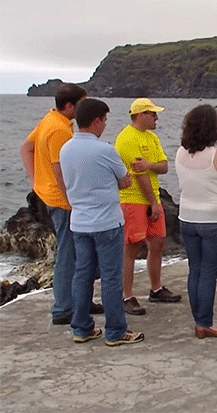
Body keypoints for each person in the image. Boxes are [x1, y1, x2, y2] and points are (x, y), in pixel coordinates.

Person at [59, 98, 144, 346]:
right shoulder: (105, 150)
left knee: (82, 275)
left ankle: (82, 327)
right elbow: (125, 179)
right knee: (110, 277)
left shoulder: (65, 149)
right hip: (106, 222)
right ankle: (116, 331)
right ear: (96, 120)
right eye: (105, 120)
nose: (105, 125)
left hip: (80, 222)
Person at [19, 83, 103, 325]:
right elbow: (60, 171)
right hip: (62, 201)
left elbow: (26, 147)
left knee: (78, 253)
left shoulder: (50, 120)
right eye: (82, 103)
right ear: (69, 106)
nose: (84, 108)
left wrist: (35, 182)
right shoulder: (59, 131)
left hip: (49, 196)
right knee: (70, 255)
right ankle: (63, 308)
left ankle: (80, 301)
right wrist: (72, 201)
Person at [115, 98, 181, 316]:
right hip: (133, 199)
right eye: (152, 114)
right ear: (140, 115)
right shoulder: (126, 138)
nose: (156, 118)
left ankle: (156, 288)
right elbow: (138, 173)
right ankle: (126, 295)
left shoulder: (151, 138)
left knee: (158, 242)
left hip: (152, 198)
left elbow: (163, 167)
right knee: (131, 247)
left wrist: (150, 165)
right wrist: (153, 202)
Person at [175, 104, 217, 339]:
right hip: (214, 219)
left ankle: (197, 319)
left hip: (187, 217)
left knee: (195, 269)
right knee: (209, 271)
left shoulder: (180, 152)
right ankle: (205, 322)